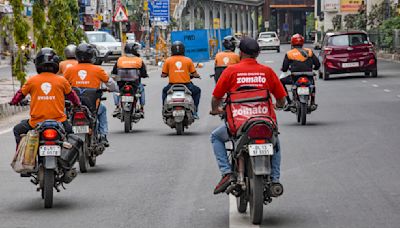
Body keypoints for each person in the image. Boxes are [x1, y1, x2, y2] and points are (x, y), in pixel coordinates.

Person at [209, 37, 287, 194]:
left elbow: (216, 98)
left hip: (238, 124)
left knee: (216, 137)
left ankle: (226, 173)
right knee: (275, 144)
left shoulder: (230, 71)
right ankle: (275, 180)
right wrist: (278, 106)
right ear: (258, 53)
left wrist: (215, 109)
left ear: (240, 53)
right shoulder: (267, 71)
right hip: (265, 122)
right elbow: (281, 99)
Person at [10, 48, 81, 145]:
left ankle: (22, 158)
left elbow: (19, 95)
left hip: (35, 123)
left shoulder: (32, 80)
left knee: (17, 130)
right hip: (60, 121)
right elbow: (72, 96)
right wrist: (77, 104)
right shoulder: (62, 80)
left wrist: (13, 102)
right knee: (72, 137)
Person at [64, 43, 118, 147]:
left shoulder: (70, 70)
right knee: (103, 110)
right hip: (92, 106)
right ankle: (103, 136)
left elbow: (62, 84)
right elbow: (111, 84)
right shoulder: (98, 69)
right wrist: (113, 89)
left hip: (74, 106)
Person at [161, 41, 201, 119]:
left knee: (164, 91)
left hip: (172, 85)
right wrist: (197, 76)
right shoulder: (188, 60)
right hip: (187, 85)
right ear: (183, 50)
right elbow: (194, 73)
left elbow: (163, 74)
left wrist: (167, 74)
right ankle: (195, 111)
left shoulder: (168, 60)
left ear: (172, 50)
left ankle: (164, 109)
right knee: (197, 91)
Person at [281, 34, 320, 111]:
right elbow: (317, 64)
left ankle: (289, 102)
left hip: (295, 77)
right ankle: (312, 102)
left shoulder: (289, 53)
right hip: (309, 76)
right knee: (312, 85)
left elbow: (285, 68)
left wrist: (285, 69)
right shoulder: (309, 52)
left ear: (292, 43)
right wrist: (314, 68)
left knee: (281, 82)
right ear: (302, 42)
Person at [111, 42, 148, 117]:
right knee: (142, 90)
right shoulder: (139, 60)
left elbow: (114, 72)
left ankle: (117, 107)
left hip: (121, 84)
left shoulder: (120, 60)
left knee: (115, 90)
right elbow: (143, 73)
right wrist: (144, 75)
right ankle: (141, 108)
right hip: (135, 84)